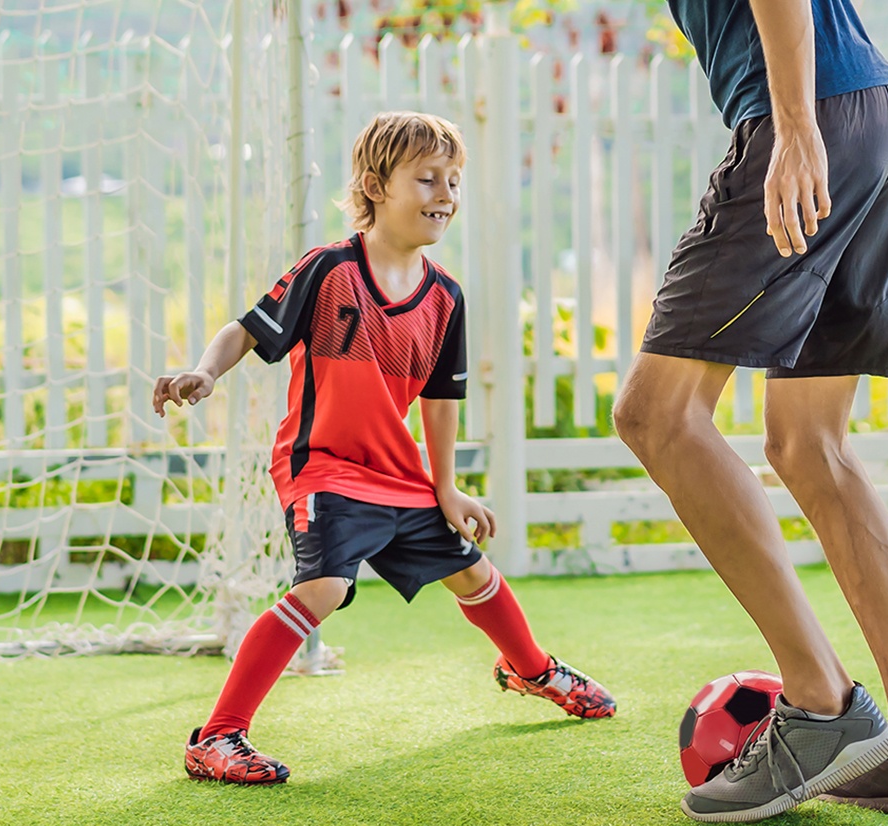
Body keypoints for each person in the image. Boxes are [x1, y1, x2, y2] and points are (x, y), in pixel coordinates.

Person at [154, 111, 616, 786]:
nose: (445, 194)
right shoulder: (328, 269)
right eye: (427, 178)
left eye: (454, 181)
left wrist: (446, 487)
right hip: (323, 465)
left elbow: (440, 400)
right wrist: (204, 371)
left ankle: (530, 668)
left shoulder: (446, 299)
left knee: (473, 573)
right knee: (323, 587)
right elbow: (246, 329)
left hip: (394, 474)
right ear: (374, 185)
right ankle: (217, 738)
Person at [612, 0, 888, 821]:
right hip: (878, 118)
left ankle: (820, 702)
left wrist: (791, 127)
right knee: (810, 445)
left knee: (657, 415)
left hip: (811, 116)